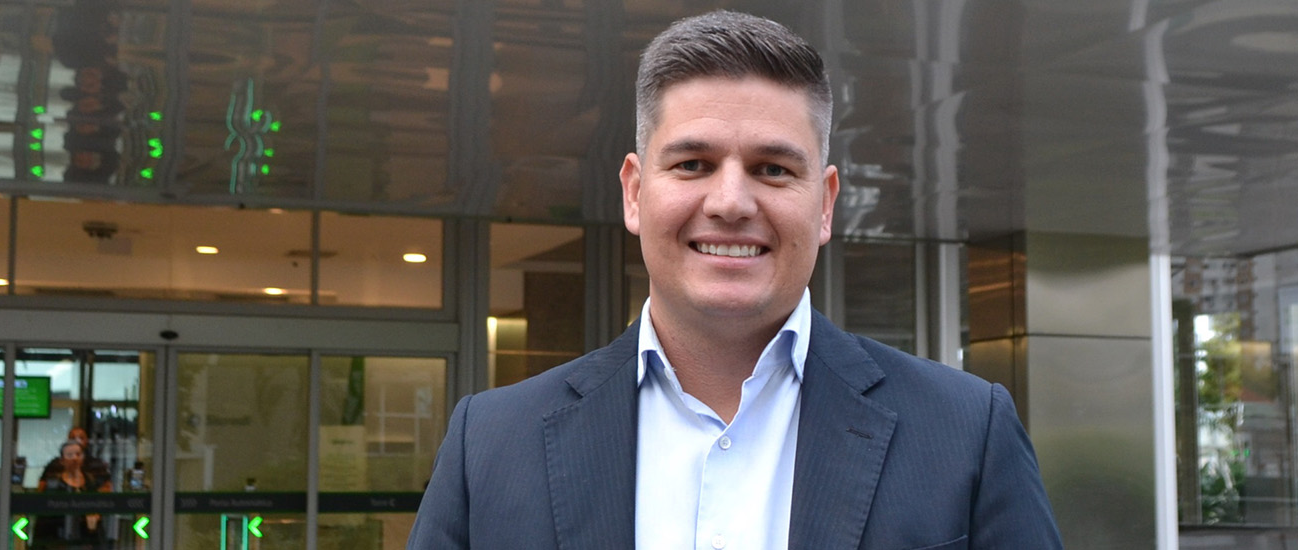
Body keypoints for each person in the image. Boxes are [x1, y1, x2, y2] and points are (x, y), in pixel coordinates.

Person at [408, 10, 1062, 549]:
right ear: (634, 193)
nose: (730, 202)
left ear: (826, 203)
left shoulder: (966, 433)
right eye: (692, 164)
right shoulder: (490, 444)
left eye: (773, 169)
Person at [34, 440, 112, 549]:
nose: (75, 458)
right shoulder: (54, 485)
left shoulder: (91, 482)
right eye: (70, 455)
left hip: (86, 541)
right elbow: (45, 521)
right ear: (62, 460)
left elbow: (98, 509)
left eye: (78, 454)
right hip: (59, 540)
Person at [41, 428, 110, 483]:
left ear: (87, 441)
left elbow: (106, 487)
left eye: (81, 438)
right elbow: (42, 485)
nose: (77, 441)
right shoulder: (55, 464)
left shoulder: (96, 465)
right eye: (73, 438)